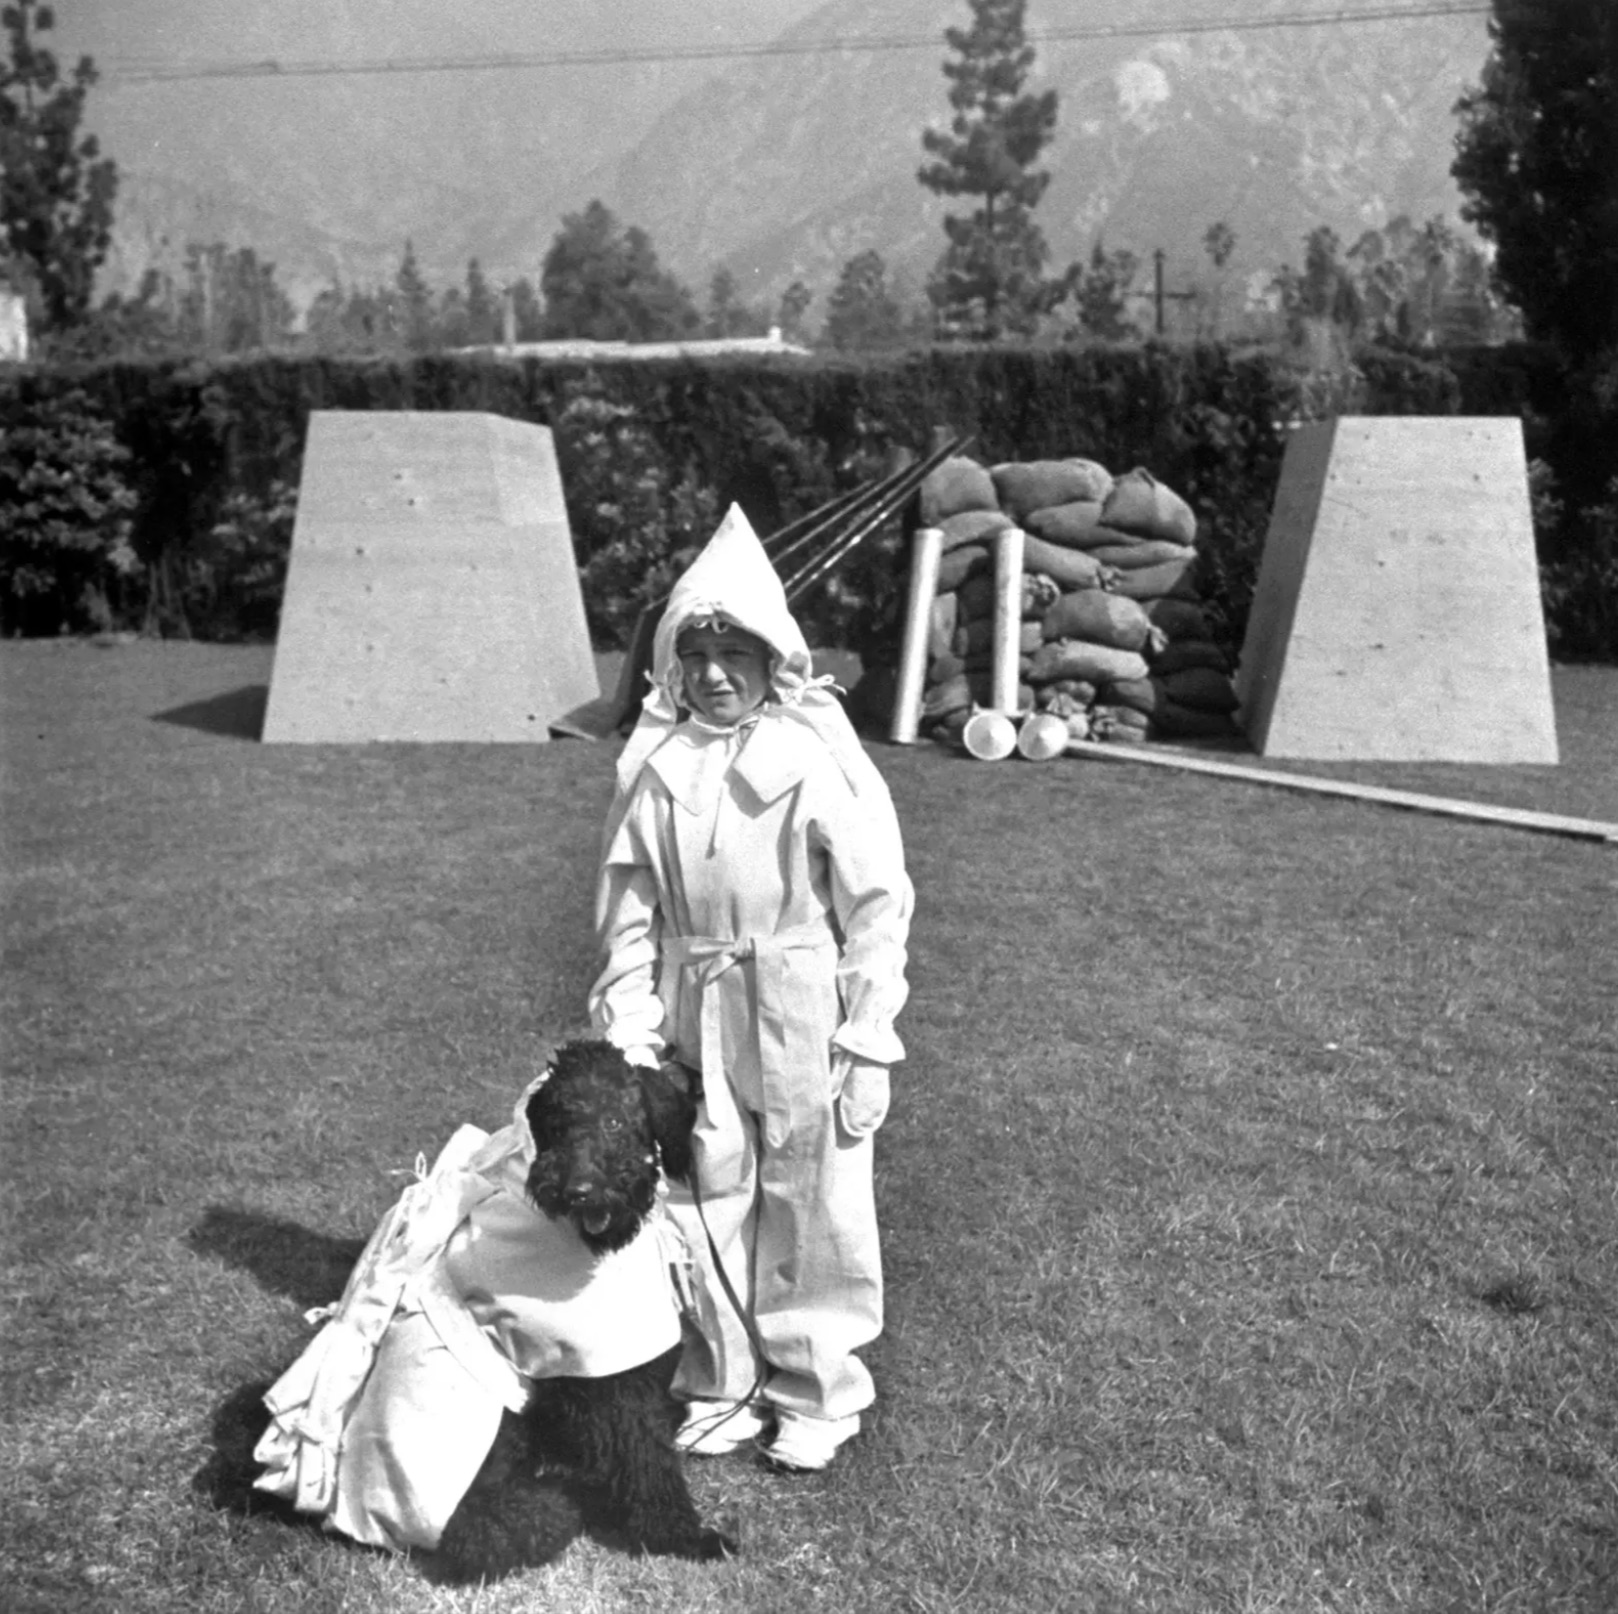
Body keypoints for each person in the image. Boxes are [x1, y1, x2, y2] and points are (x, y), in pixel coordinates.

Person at [590, 504, 913, 1472]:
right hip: (697, 1004)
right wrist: (632, 1037)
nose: (716, 672)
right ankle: (722, 1377)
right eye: (696, 654)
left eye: (736, 651)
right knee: (704, 1186)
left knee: (812, 1190)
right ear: (670, 668)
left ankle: (816, 1387)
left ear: (776, 661)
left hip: (801, 997)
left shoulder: (814, 763)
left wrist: (866, 1039)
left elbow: (876, 908)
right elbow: (627, 918)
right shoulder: (654, 774)